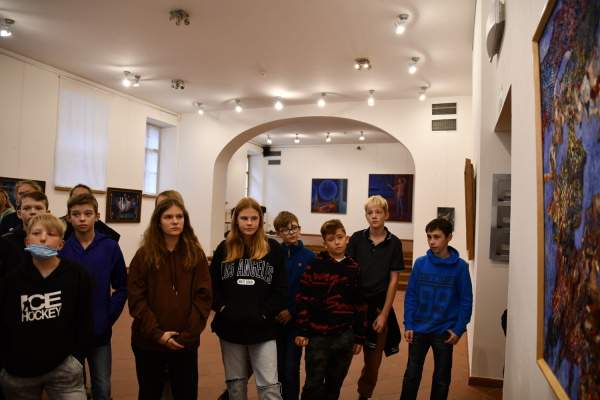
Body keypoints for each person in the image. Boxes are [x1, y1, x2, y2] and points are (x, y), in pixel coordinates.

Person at [0, 213, 93, 399]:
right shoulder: (11, 281)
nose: (43, 238)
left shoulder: (77, 275)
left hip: (64, 367)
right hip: (19, 372)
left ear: (61, 244)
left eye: (51, 234)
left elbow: (84, 319)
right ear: (27, 241)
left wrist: (77, 358)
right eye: (36, 233)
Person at [128, 198, 212, 399]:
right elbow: (137, 300)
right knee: (150, 393)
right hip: (149, 343)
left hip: (185, 344)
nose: (175, 221)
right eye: (168, 217)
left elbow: (203, 297)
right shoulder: (143, 256)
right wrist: (158, 334)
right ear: (158, 222)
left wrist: (187, 335)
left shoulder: (196, 255)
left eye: (179, 216)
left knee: (185, 393)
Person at [210, 197, 287, 400]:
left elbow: (281, 290)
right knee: (236, 387)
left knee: (269, 386)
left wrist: (264, 313)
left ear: (261, 221)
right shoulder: (224, 248)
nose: (249, 223)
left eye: (254, 218)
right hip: (230, 328)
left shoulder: (274, 249)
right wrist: (223, 309)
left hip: (263, 329)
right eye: (244, 218)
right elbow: (211, 287)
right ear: (236, 220)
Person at [59, 193, 128, 400]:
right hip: (70, 332)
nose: (82, 218)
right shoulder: (62, 248)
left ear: (97, 216)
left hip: (100, 330)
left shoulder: (110, 247)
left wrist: (108, 316)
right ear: (68, 217)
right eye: (76, 214)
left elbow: (121, 286)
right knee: (74, 386)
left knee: (102, 385)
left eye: (88, 213)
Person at [400, 218, 473, 400]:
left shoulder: (460, 268)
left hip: (444, 332)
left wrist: (458, 329)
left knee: (441, 378)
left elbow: (466, 301)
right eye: (429, 237)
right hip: (418, 329)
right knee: (411, 375)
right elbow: (411, 295)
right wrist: (409, 324)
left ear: (449, 237)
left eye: (437, 237)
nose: (432, 241)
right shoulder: (420, 264)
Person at [294, 219, 367, 400]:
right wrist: (302, 330)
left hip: (344, 335)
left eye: (340, 237)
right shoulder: (315, 265)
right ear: (324, 243)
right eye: (331, 239)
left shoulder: (354, 268)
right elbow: (303, 297)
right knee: (313, 384)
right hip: (317, 335)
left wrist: (359, 336)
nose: (337, 242)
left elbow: (360, 303)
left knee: (335, 384)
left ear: (347, 239)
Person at [347, 195, 404, 400]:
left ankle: (364, 395)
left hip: (379, 308)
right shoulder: (356, 239)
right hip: (355, 307)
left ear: (386, 214)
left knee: (372, 362)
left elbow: (394, 281)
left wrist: (384, 315)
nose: (374, 216)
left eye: (378, 212)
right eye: (370, 212)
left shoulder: (394, 243)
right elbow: (348, 273)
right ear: (366, 216)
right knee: (343, 354)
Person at [272, 211, 315, 400]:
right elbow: (269, 286)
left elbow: (309, 291)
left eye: (294, 228)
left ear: (299, 229)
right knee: (277, 366)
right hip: (275, 319)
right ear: (278, 233)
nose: (291, 232)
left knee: (291, 367)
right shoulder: (274, 255)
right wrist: (276, 310)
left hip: (296, 320)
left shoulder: (309, 257)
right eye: (285, 229)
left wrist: (291, 311)